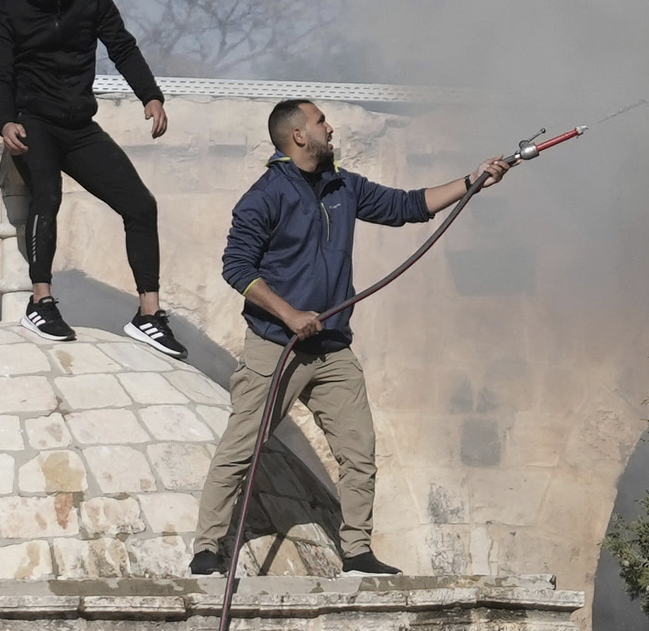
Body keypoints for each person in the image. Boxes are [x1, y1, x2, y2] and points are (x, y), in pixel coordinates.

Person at [192, 97, 505, 577]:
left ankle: (357, 553)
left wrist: (472, 181)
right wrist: (290, 314)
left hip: (334, 348)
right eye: (321, 121)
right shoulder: (264, 196)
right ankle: (207, 550)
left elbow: (408, 206)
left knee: (359, 453)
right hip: (276, 347)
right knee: (241, 448)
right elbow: (236, 267)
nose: (330, 127)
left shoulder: (344, 187)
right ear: (298, 135)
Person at [0, 0, 182, 353]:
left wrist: (150, 95)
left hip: (79, 126)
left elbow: (121, 46)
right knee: (47, 197)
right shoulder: (5, 11)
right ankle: (41, 302)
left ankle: (149, 314)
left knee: (141, 206)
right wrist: (5, 121)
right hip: (34, 123)